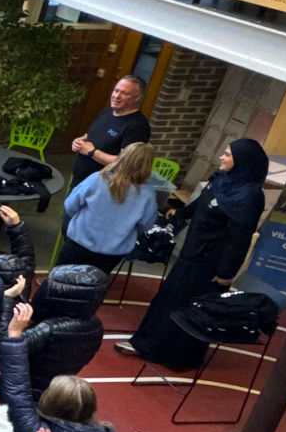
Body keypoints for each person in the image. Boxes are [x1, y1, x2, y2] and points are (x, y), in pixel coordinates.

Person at [117, 138, 268, 371]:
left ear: (242, 162)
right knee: (168, 299)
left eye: (227, 155)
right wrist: (180, 213)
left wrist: (225, 273)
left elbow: (238, 239)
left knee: (192, 309)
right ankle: (148, 345)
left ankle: (177, 357)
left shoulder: (248, 197)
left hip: (209, 264)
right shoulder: (221, 179)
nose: (221, 157)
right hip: (191, 253)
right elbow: (201, 204)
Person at [60, 141, 161, 273]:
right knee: (91, 287)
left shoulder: (97, 179)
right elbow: (145, 224)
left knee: (57, 281)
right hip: (112, 252)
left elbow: (70, 205)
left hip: (79, 242)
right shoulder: (147, 194)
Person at [69, 76, 151, 186]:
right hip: (79, 182)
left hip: (102, 189)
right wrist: (80, 141)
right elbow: (90, 134)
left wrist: (92, 152)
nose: (117, 96)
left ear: (137, 98)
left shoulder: (138, 126)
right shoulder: (107, 112)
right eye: (116, 90)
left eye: (124, 93)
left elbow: (126, 163)